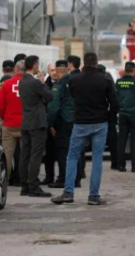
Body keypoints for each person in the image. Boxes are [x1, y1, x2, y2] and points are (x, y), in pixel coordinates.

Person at [51, 52, 119, 206]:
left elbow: (73, 96)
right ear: (96, 62)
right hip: (100, 123)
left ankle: (68, 192)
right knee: (97, 159)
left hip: (81, 122)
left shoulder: (75, 79)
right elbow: (115, 103)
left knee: (72, 156)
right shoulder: (106, 79)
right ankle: (93, 196)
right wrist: (109, 118)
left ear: (84, 63)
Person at [18, 56, 54, 197]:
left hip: (26, 122)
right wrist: (42, 82)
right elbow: (49, 97)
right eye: (38, 64)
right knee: (36, 155)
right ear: (34, 66)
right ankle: (34, 186)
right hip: (37, 123)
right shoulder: (35, 82)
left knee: (25, 155)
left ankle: (24, 186)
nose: (39, 67)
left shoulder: (22, 82)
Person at [0, 61, 26, 187]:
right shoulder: (31, 83)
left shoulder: (7, 84)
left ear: (16, 69)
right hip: (26, 123)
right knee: (26, 153)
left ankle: (5, 179)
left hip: (9, 123)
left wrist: (4, 117)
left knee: (7, 154)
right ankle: (24, 179)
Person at [47, 60, 75, 189]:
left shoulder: (58, 85)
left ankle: (63, 179)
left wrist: (50, 123)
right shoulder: (75, 82)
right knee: (73, 151)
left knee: (62, 152)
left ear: (58, 72)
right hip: (74, 120)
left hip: (62, 122)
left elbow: (53, 107)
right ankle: (75, 178)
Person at [116, 61, 135, 173]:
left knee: (122, 140)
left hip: (122, 115)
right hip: (133, 114)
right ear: (134, 71)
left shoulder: (118, 82)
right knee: (134, 141)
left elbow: (116, 97)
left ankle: (120, 165)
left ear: (125, 70)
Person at [67, 55, 86, 182]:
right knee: (82, 147)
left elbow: (69, 98)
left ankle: (75, 175)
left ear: (70, 64)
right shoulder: (84, 77)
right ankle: (81, 170)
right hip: (83, 115)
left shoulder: (71, 78)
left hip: (73, 116)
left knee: (73, 149)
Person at [99, 64, 119, 170]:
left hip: (96, 116)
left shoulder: (94, 81)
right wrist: (112, 114)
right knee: (112, 141)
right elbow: (114, 100)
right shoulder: (108, 80)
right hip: (108, 115)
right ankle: (115, 163)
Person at [42, 62, 58, 185]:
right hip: (48, 124)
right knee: (49, 153)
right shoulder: (44, 85)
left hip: (61, 123)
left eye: (56, 70)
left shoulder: (64, 84)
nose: (54, 72)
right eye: (52, 70)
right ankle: (49, 177)